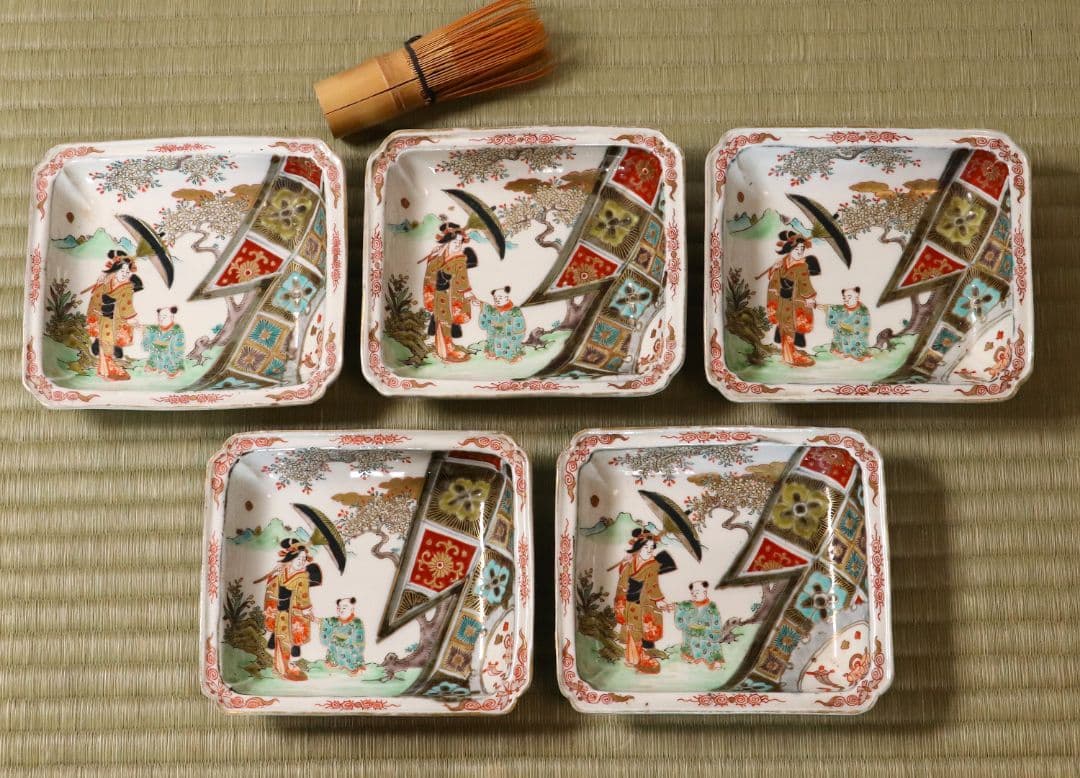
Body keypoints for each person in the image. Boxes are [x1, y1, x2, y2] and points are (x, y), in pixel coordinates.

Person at [614, 528, 676, 674]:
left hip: (642, 602)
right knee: (631, 630)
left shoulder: (652, 565)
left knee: (639, 630)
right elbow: (623, 577)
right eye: (645, 547)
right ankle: (632, 658)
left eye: (651, 547)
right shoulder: (631, 562)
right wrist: (625, 563)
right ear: (638, 547)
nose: (649, 550)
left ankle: (638, 658)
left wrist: (659, 600)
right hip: (629, 601)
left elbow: (652, 585)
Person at [260, 539, 322, 681]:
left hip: (292, 614)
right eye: (299, 558)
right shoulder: (282, 572)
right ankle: (280, 668)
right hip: (280, 612)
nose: (301, 561)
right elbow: (271, 588)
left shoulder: (303, 577)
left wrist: (306, 610)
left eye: (304, 559)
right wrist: (274, 576)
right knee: (281, 640)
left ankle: (284, 668)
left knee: (287, 640)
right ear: (291, 558)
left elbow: (303, 597)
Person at [422, 221, 479, 363]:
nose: (458, 245)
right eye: (455, 242)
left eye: (460, 242)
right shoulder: (439, 257)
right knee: (441, 321)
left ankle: (446, 349)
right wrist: (433, 258)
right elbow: (430, 273)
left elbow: (462, 279)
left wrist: (467, 293)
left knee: (446, 321)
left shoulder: (459, 259)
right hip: (439, 294)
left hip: (450, 296)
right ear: (447, 242)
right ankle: (443, 350)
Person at [85, 250, 143, 380]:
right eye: (122, 271)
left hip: (114, 320)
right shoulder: (106, 283)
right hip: (101, 317)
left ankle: (106, 370)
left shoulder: (127, 288)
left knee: (109, 343)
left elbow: (126, 307)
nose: (125, 274)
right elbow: (96, 297)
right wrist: (97, 308)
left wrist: (133, 319)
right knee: (103, 343)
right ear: (115, 270)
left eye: (127, 272)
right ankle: (105, 370)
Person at [766, 230, 820, 367]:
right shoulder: (782, 263)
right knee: (785, 326)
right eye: (797, 249)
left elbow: (805, 284)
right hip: (782, 300)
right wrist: (774, 270)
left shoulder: (802, 266)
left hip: (794, 302)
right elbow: (774, 280)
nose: (800, 251)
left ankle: (789, 355)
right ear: (790, 249)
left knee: (790, 326)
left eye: (802, 248)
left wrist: (809, 298)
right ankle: (789, 356)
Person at [674, 580, 725, 670]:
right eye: (692, 593)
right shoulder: (686, 605)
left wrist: (711, 633)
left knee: (710, 644)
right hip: (690, 635)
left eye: (697, 592)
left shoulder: (712, 607)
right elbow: (679, 621)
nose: (694, 595)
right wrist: (686, 626)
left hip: (707, 635)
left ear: (704, 592)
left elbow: (716, 623)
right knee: (693, 642)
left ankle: (713, 662)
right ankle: (694, 659)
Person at [478, 286, 527, 362]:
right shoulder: (493, 310)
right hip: (495, 336)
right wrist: (482, 305)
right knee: (495, 339)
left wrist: (503, 325)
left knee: (505, 342)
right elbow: (487, 313)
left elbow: (519, 325)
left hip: (509, 335)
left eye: (500, 298)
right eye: (495, 298)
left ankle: (511, 357)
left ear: (506, 297)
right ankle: (495, 354)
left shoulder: (515, 310)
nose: (497, 300)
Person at [319, 597, 366, 675]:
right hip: (336, 646)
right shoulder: (335, 620)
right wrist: (313, 618)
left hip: (350, 647)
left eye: (344, 608)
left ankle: (354, 668)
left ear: (352, 610)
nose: (341, 610)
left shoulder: (357, 622)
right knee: (333, 645)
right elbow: (324, 621)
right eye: (339, 608)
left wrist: (357, 646)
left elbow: (359, 638)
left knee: (352, 653)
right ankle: (335, 663)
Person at [824, 287, 872, 360]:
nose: (846, 300)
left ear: (857, 297)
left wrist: (849, 328)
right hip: (841, 341)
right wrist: (827, 308)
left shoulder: (863, 311)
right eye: (844, 298)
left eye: (849, 297)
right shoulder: (841, 309)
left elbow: (865, 329)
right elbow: (832, 309)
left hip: (856, 342)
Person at [142, 306, 186, 377]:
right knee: (153, 359)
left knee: (171, 361)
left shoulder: (177, 330)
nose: (161, 319)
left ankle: (172, 370)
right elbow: (148, 341)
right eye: (160, 316)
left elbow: (179, 347)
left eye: (164, 316)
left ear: (172, 317)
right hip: (156, 355)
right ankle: (153, 366)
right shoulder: (154, 329)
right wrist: (146, 332)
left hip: (171, 356)